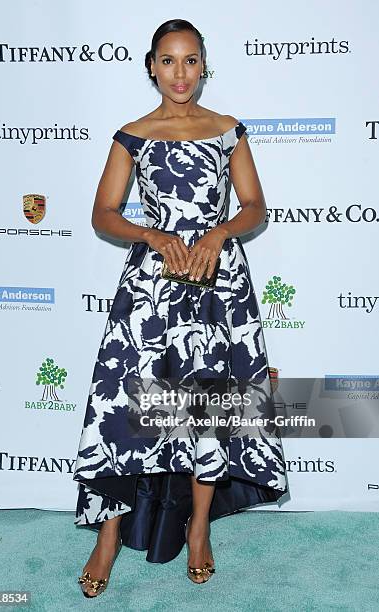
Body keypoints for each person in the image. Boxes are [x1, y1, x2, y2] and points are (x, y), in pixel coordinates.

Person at [73, 18, 288, 597]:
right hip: (151, 283)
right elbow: (104, 214)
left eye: (190, 60)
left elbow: (254, 207)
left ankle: (198, 529)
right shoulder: (132, 135)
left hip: (217, 282)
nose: (180, 73)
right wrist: (150, 235)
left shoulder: (227, 130)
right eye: (168, 61)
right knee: (124, 406)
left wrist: (217, 236)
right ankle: (108, 535)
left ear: (203, 64)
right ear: (151, 66)